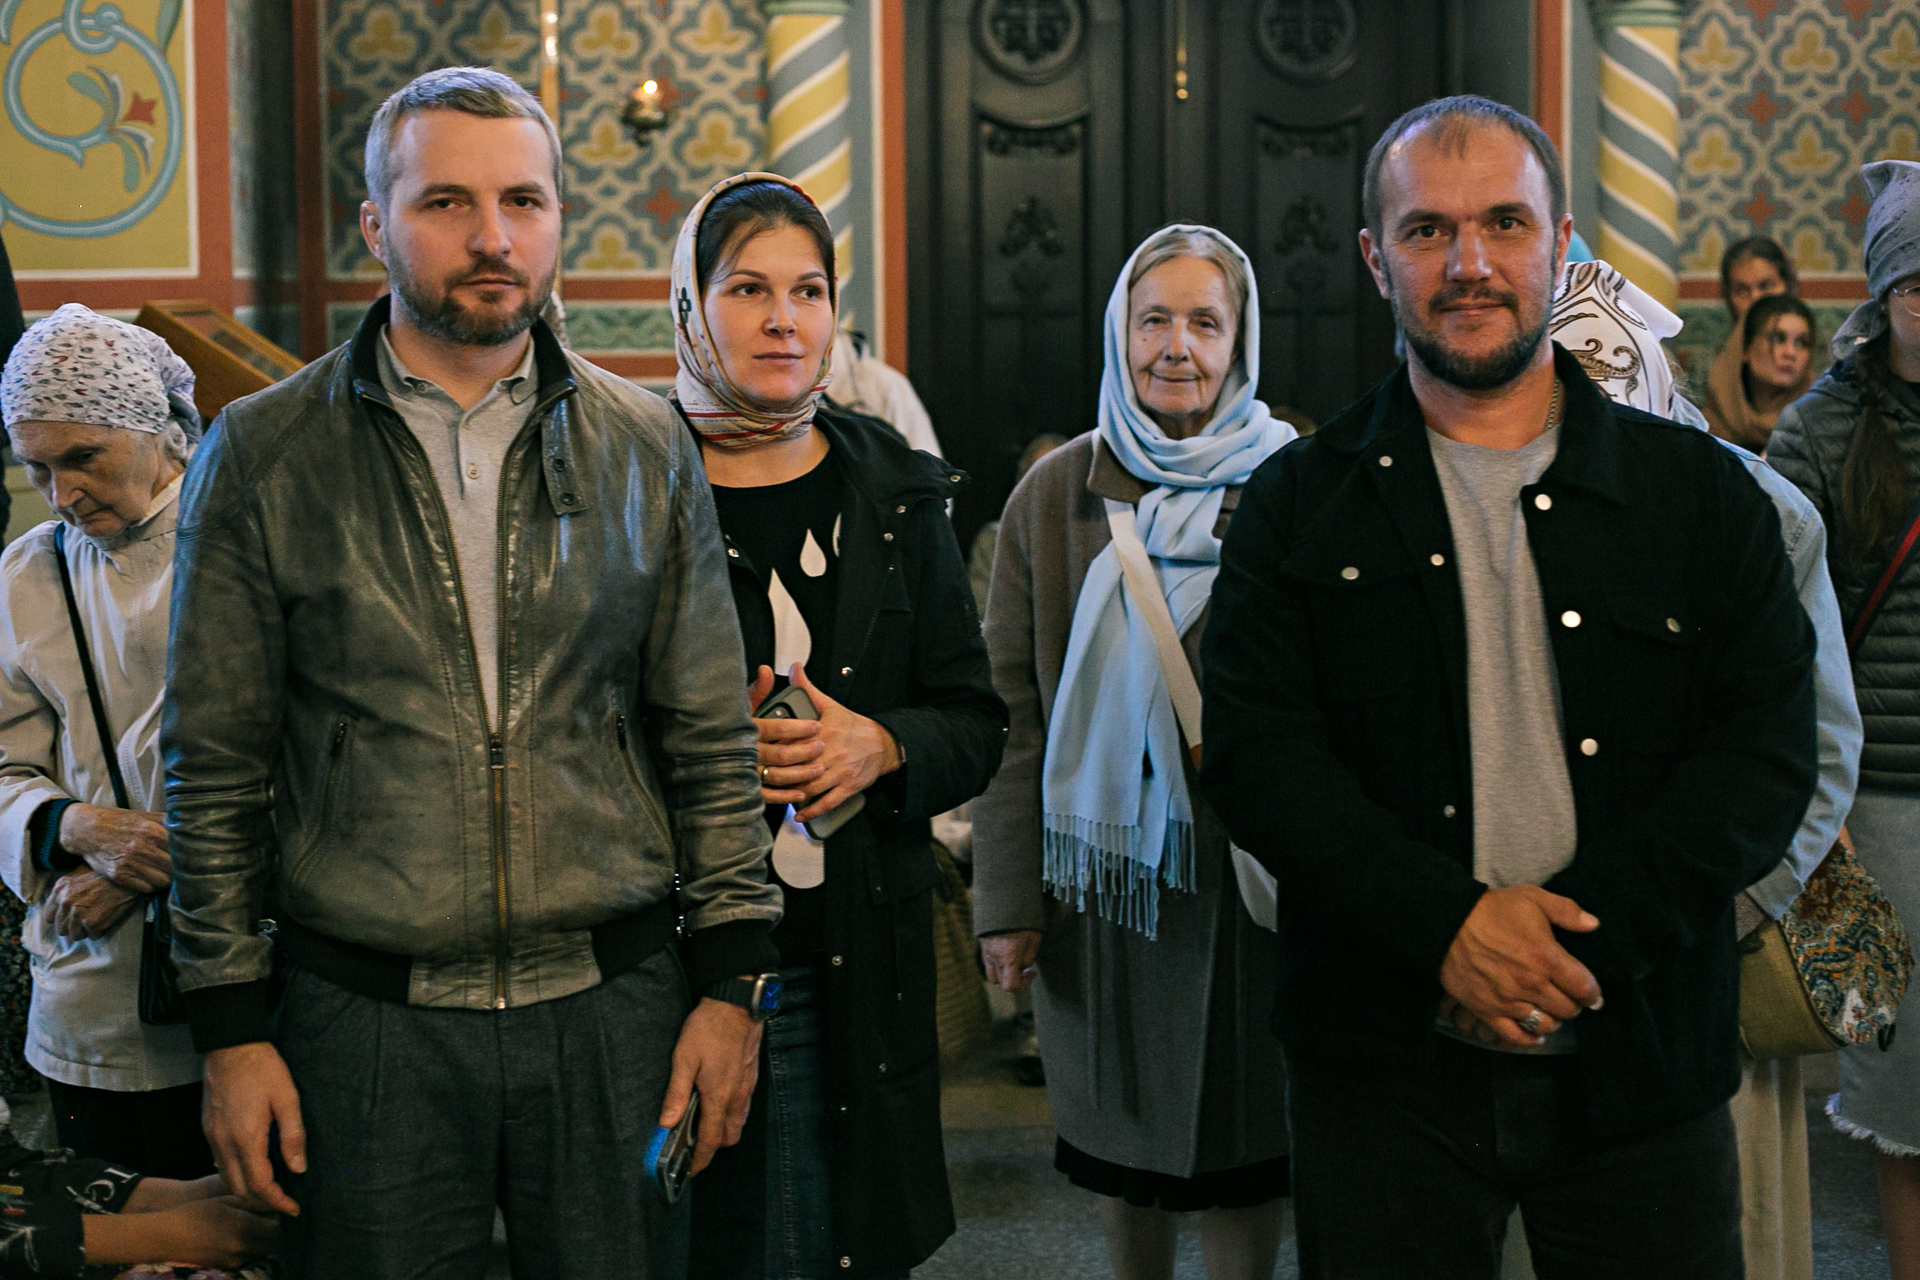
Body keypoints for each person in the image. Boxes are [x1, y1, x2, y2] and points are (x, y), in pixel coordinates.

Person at [161, 67, 780, 1277]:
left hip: (612, 1007)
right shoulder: (266, 451)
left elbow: (709, 733)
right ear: (375, 223)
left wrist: (731, 982)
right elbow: (214, 763)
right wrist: (229, 1027)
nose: (493, 237)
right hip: (364, 1018)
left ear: (558, 218)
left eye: (523, 201)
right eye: (446, 201)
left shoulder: (646, 444)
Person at [1201, 96, 1817, 1278]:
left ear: (1562, 242)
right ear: (1376, 257)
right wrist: (1444, 928)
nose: (1469, 264)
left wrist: (1573, 945)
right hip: (1380, 1076)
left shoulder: (1699, 497)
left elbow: (1761, 756)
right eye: (1428, 230)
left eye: (1504, 223)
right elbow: (1261, 757)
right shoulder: (1296, 504)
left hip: (1643, 1058)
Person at [672, 172, 1006, 1280]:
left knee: (847, 1244)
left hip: (861, 947)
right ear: (691, 305)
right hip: (680, 958)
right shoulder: (637, 477)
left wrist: (883, 744)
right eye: (748, 289)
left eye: (808, 290)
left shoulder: (896, 488)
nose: (784, 319)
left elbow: (975, 720)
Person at [973, 224, 1296, 1280]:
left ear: (1241, 340)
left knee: (1252, 1144)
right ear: (1120, 331)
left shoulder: (1296, 484)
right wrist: (1007, 900)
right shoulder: (1057, 493)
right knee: (1124, 1145)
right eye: (1153, 319)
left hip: (1255, 879)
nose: (1177, 346)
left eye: (1205, 321)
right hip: (1105, 887)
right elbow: (1011, 713)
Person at [1551, 259, 1861, 1280]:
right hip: (1529, 961)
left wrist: (1721, 910)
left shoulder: (1763, 510)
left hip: (1703, 946)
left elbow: (1817, 746)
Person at [0, 306, 211, 1180]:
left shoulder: (244, 542)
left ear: (155, 429)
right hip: (89, 985)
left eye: (84, 457)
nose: (62, 494)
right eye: (37, 468)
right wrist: (76, 827)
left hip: (244, 973)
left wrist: (146, 862)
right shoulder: (32, 570)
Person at [1768, 158, 1920, 1280]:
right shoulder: (1819, 430)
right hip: (1879, 803)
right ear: (1883, 295)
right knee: (1898, 1082)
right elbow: (1780, 638)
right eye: (1917, 287)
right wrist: (1821, 813)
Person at [1702, 236, 1798, 441]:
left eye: (1766, 286)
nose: (1755, 299)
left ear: (1788, 286)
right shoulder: (1708, 362)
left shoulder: (1819, 353)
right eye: (1742, 291)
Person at [1705, 293, 1817, 452]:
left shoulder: (1821, 426)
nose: (1790, 353)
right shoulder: (1705, 427)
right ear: (1745, 348)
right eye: (1777, 339)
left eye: (1801, 343)